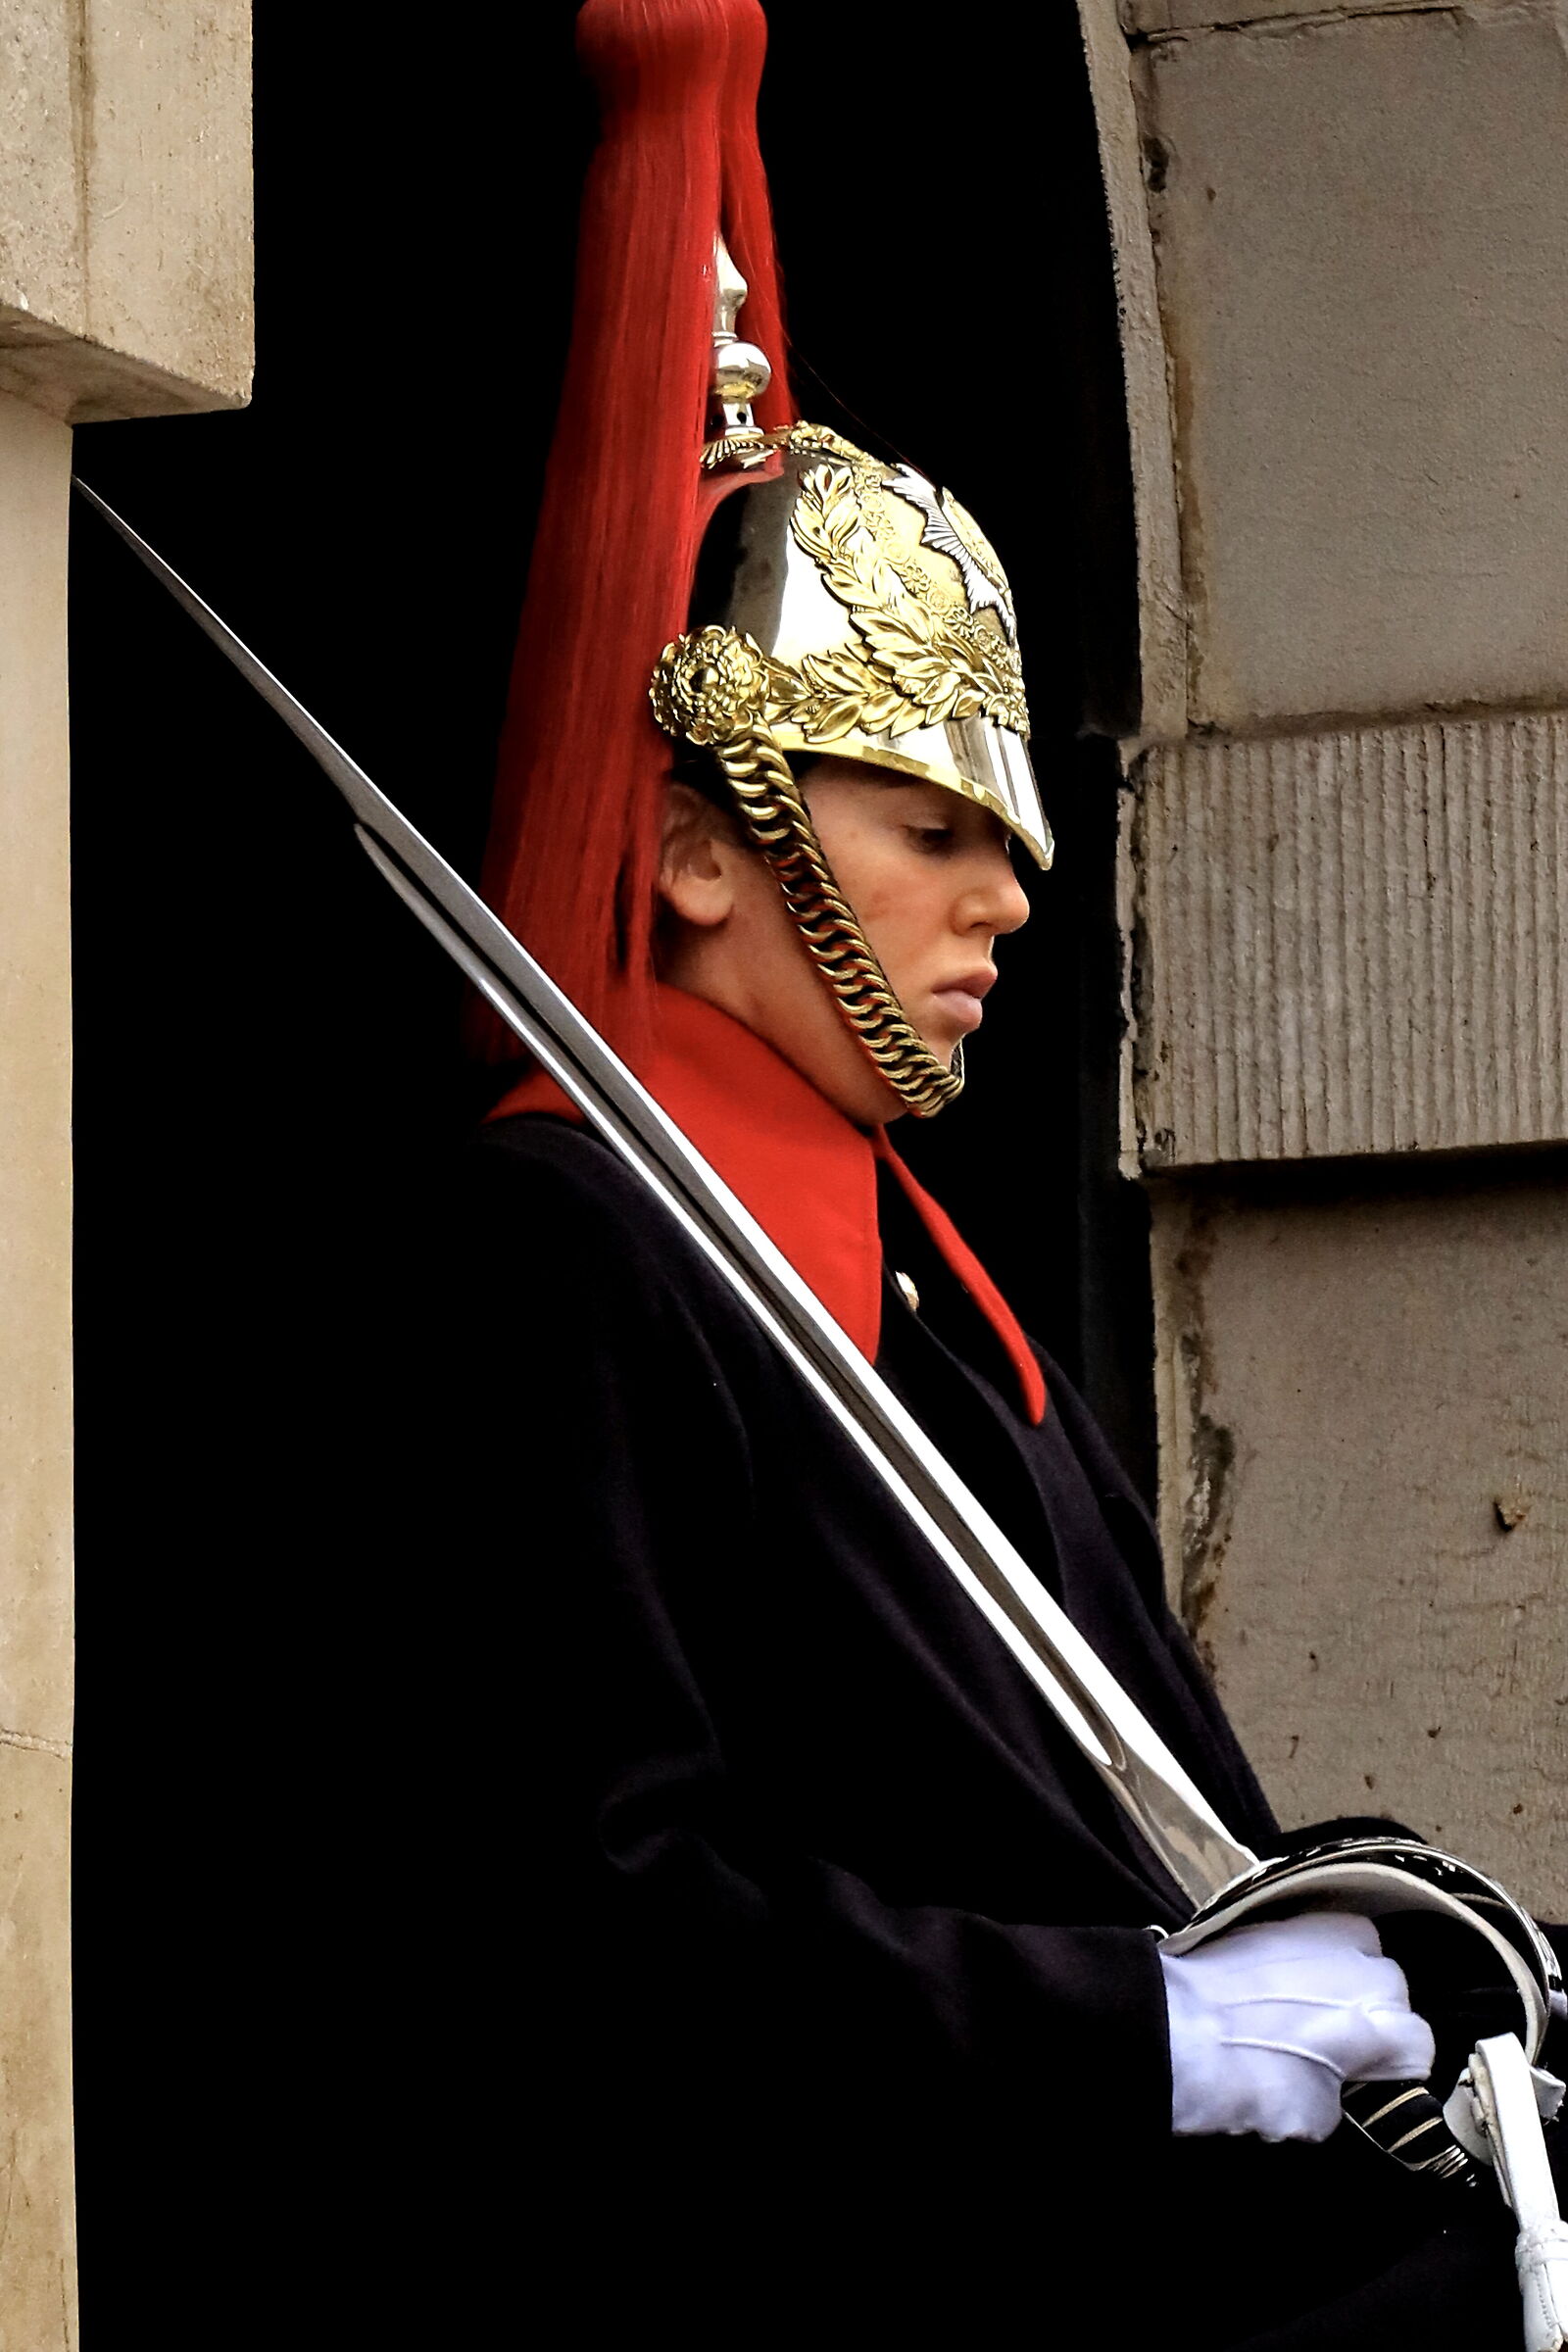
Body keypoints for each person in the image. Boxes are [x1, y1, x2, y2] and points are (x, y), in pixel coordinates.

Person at [434, 0, 1563, 2334]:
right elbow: (594, 1915)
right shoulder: (581, 1247)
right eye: (926, 826)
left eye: (1008, 830)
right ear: (696, 853)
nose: (1006, 893)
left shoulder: (925, 1278)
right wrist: (1139, 2031)